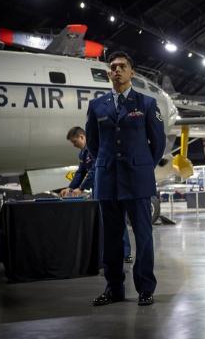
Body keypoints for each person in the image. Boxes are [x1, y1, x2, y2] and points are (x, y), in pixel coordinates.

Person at [85, 51, 166, 306]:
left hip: (138, 180)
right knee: (111, 238)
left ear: (132, 73)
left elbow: (158, 143)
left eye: (123, 66)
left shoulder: (146, 104)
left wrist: (142, 166)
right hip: (108, 180)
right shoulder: (97, 106)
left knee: (143, 237)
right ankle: (114, 288)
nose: (117, 70)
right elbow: (93, 145)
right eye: (113, 67)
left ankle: (145, 288)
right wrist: (109, 165)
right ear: (108, 74)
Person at [62, 127, 133, 264]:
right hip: (98, 189)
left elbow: (95, 170)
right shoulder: (82, 154)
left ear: (82, 137)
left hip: (109, 188)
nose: (74, 145)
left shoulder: (96, 149)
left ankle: (126, 252)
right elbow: (81, 172)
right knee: (103, 222)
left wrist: (81, 188)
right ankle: (107, 252)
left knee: (119, 219)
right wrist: (70, 187)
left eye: (75, 141)